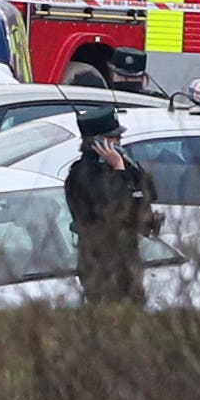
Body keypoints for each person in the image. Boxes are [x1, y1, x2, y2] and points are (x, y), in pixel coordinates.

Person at [63, 106, 159, 304]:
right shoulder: (83, 174)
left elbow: (150, 193)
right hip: (100, 260)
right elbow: (116, 206)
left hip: (128, 255)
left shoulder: (120, 166)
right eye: (114, 138)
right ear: (98, 141)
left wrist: (125, 166)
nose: (119, 142)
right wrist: (118, 170)